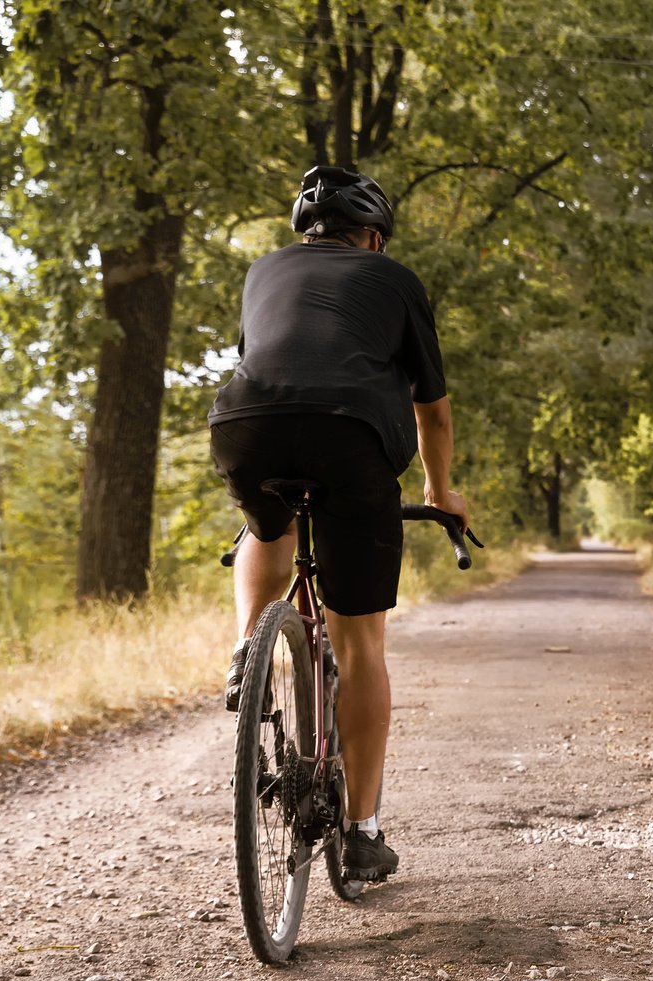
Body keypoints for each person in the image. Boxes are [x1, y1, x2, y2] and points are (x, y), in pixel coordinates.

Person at [207, 165, 469, 884]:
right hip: (351, 441)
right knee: (361, 645)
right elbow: (433, 410)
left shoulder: (264, 271)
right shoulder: (395, 281)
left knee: (269, 521)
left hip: (245, 424)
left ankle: (247, 651)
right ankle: (362, 829)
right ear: (373, 237)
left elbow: (272, 359)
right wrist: (440, 490)